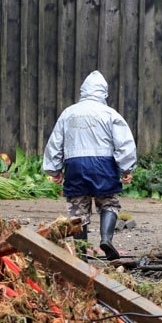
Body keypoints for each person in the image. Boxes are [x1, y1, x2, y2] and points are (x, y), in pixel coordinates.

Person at [43, 70, 137, 260]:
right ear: (104, 92)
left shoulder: (68, 113)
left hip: (75, 165)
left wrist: (54, 169)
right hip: (104, 165)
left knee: (78, 209)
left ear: (82, 91)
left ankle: (81, 255)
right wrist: (127, 168)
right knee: (109, 202)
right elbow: (124, 143)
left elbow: (55, 142)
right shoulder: (110, 114)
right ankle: (106, 239)